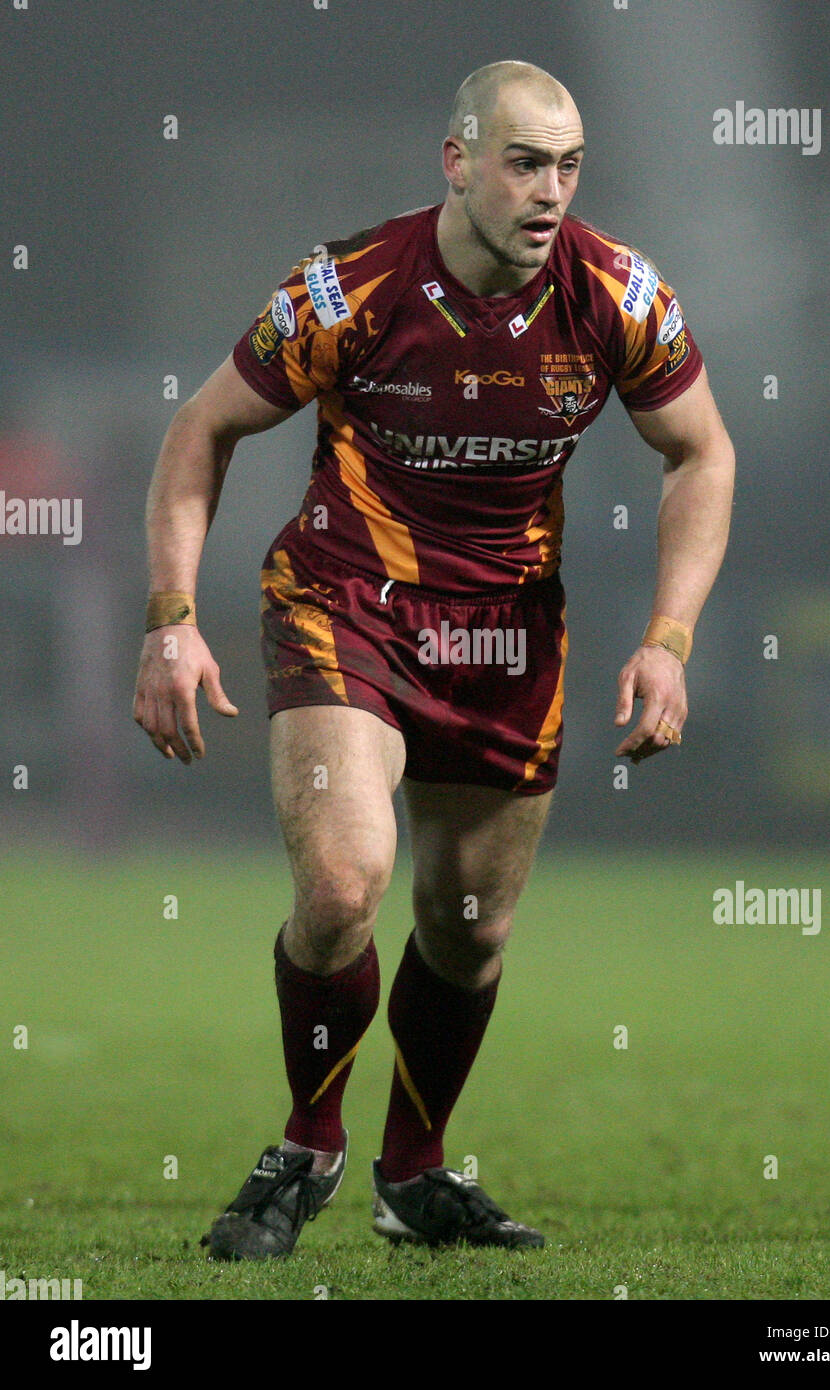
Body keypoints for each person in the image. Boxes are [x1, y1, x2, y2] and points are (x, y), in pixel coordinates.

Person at [133, 60, 735, 1258]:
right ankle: (308, 1142)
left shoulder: (617, 293)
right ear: (456, 160)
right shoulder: (348, 286)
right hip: (345, 601)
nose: (549, 191)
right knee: (345, 882)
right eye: (523, 162)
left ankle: (413, 1175)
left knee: (467, 927)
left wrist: (670, 639)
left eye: (568, 165)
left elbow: (700, 454)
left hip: (505, 632)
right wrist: (171, 615)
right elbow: (203, 425)